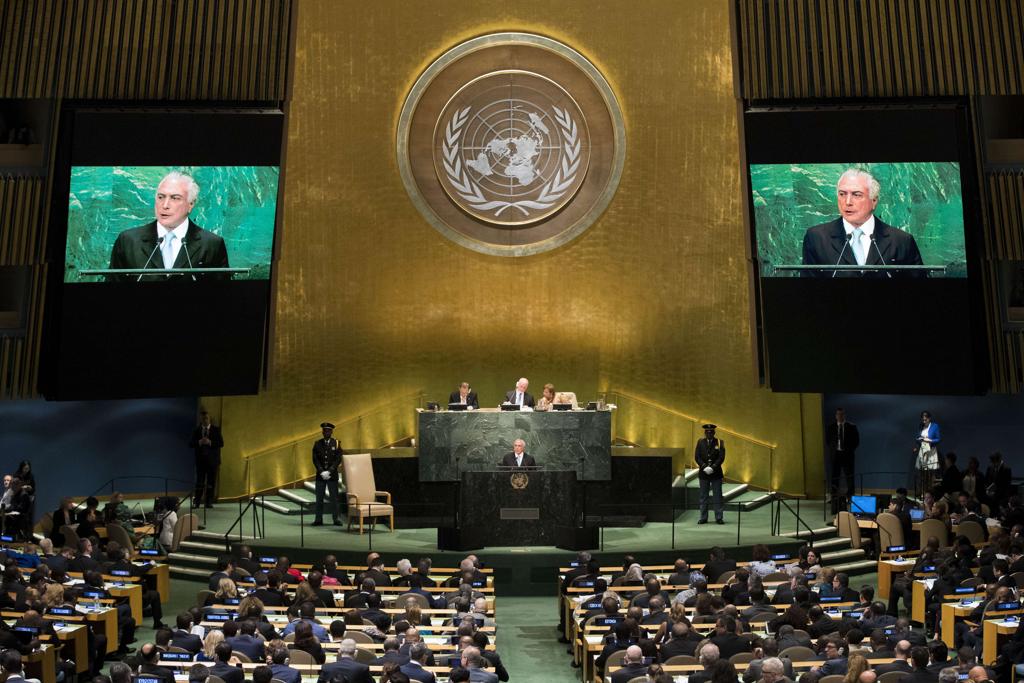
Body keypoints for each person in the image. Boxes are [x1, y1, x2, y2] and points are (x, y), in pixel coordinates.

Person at [107, 171, 229, 282]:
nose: (165, 205)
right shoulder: (128, 241)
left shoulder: (212, 244)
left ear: (191, 204)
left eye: (175, 198)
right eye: (161, 197)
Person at [801, 168, 924, 277]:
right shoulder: (816, 238)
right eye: (842, 194)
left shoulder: (901, 240)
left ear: (874, 201)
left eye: (856, 195)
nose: (847, 202)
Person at [826, 408, 859, 510]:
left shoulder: (852, 427)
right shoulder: (831, 427)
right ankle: (834, 497)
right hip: (835, 455)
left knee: (849, 477)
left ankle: (850, 497)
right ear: (836, 416)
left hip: (847, 456)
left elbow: (856, 441)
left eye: (842, 414)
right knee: (834, 477)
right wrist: (834, 450)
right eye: (838, 414)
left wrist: (848, 450)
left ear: (844, 416)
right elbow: (828, 441)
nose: (840, 416)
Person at [190, 411, 224, 508]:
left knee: (211, 482)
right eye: (203, 418)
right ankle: (197, 502)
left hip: (213, 462)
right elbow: (190, 443)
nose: (205, 420)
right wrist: (199, 442)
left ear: (209, 419)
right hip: (200, 462)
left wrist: (210, 442)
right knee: (199, 482)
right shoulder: (196, 430)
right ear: (201, 419)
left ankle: (209, 502)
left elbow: (221, 443)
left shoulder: (216, 430)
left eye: (206, 418)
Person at [311, 421, 342, 526]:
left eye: (328, 431)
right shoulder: (317, 443)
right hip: (320, 476)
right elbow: (315, 459)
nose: (326, 432)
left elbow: (338, 459)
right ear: (322, 432)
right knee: (319, 498)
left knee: (334, 498)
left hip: (332, 476)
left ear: (331, 432)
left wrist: (330, 471)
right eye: (324, 431)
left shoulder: (336, 443)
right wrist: (321, 471)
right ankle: (318, 519)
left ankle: (336, 519)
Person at [695, 423, 726, 524]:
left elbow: (721, 457)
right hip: (704, 473)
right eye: (707, 432)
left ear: (714, 433)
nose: (709, 434)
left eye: (711, 432)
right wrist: (704, 467)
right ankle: (703, 517)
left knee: (717, 496)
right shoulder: (700, 442)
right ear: (705, 433)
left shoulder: (720, 442)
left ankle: (719, 517)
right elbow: (697, 456)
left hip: (716, 473)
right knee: (703, 496)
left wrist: (712, 467)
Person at [915, 411, 941, 495]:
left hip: (931, 451)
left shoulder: (934, 426)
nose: (924, 420)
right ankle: (922, 492)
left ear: (929, 418)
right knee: (922, 473)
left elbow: (938, 439)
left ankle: (930, 493)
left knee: (930, 474)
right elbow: (917, 437)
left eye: (925, 418)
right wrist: (919, 439)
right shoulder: (921, 426)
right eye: (923, 418)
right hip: (923, 450)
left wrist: (930, 440)